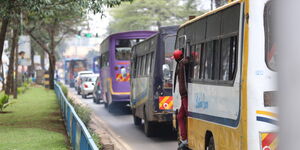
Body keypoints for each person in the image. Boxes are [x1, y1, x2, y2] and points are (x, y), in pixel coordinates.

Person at [174, 49, 189, 150]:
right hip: (183, 95)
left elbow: (187, 61)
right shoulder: (180, 64)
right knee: (180, 116)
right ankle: (184, 139)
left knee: (187, 115)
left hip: (185, 95)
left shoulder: (182, 64)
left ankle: (185, 139)